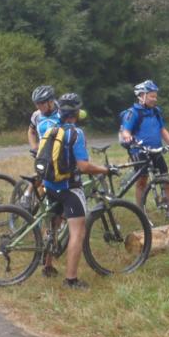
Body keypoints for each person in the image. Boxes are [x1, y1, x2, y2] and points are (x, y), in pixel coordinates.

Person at [41, 93, 116, 289]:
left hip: (50, 185)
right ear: (76, 113)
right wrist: (105, 170)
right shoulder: (76, 133)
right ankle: (71, 279)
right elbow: (83, 166)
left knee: (53, 224)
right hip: (69, 188)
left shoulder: (52, 129)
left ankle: (47, 266)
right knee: (78, 232)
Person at [119, 80, 169, 213]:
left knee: (166, 180)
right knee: (142, 182)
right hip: (139, 151)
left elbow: (162, 129)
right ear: (142, 96)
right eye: (152, 96)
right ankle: (141, 212)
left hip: (156, 150)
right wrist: (128, 137)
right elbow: (126, 131)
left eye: (155, 96)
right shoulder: (133, 113)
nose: (155, 99)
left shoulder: (156, 111)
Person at [27, 85, 60, 151]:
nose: (38, 107)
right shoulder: (36, 115)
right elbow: (31, 132)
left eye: (42, 103)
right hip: (43, 154)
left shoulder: (62, 113)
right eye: (37, 104)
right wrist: (34, 147)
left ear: (51, 101)